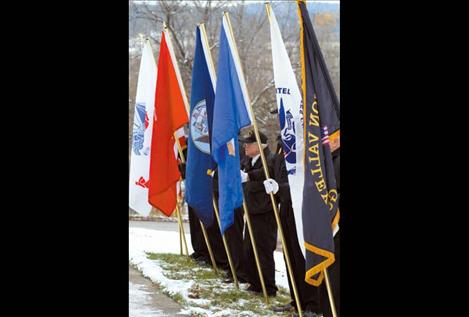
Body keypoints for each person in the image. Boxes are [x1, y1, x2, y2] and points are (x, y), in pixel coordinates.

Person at [264, 136, 322, 317]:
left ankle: (312, 304)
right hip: (286, 207)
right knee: (290, 256)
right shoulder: (283, 144)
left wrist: (280, 188)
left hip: (301, 207)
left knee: (302, 256)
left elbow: (302, 180)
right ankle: (297, 300)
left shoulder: (303, 141)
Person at [239, 130, 278, 297]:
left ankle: (268, 287)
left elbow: (266, 174)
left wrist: (248, 178)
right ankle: (255, 282)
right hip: (253, 210)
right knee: (249, 248)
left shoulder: (269, 159)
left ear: (260, 146)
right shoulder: (249, 160)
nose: (245, 146)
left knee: (263, 250)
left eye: (249, 143)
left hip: (265, 211)